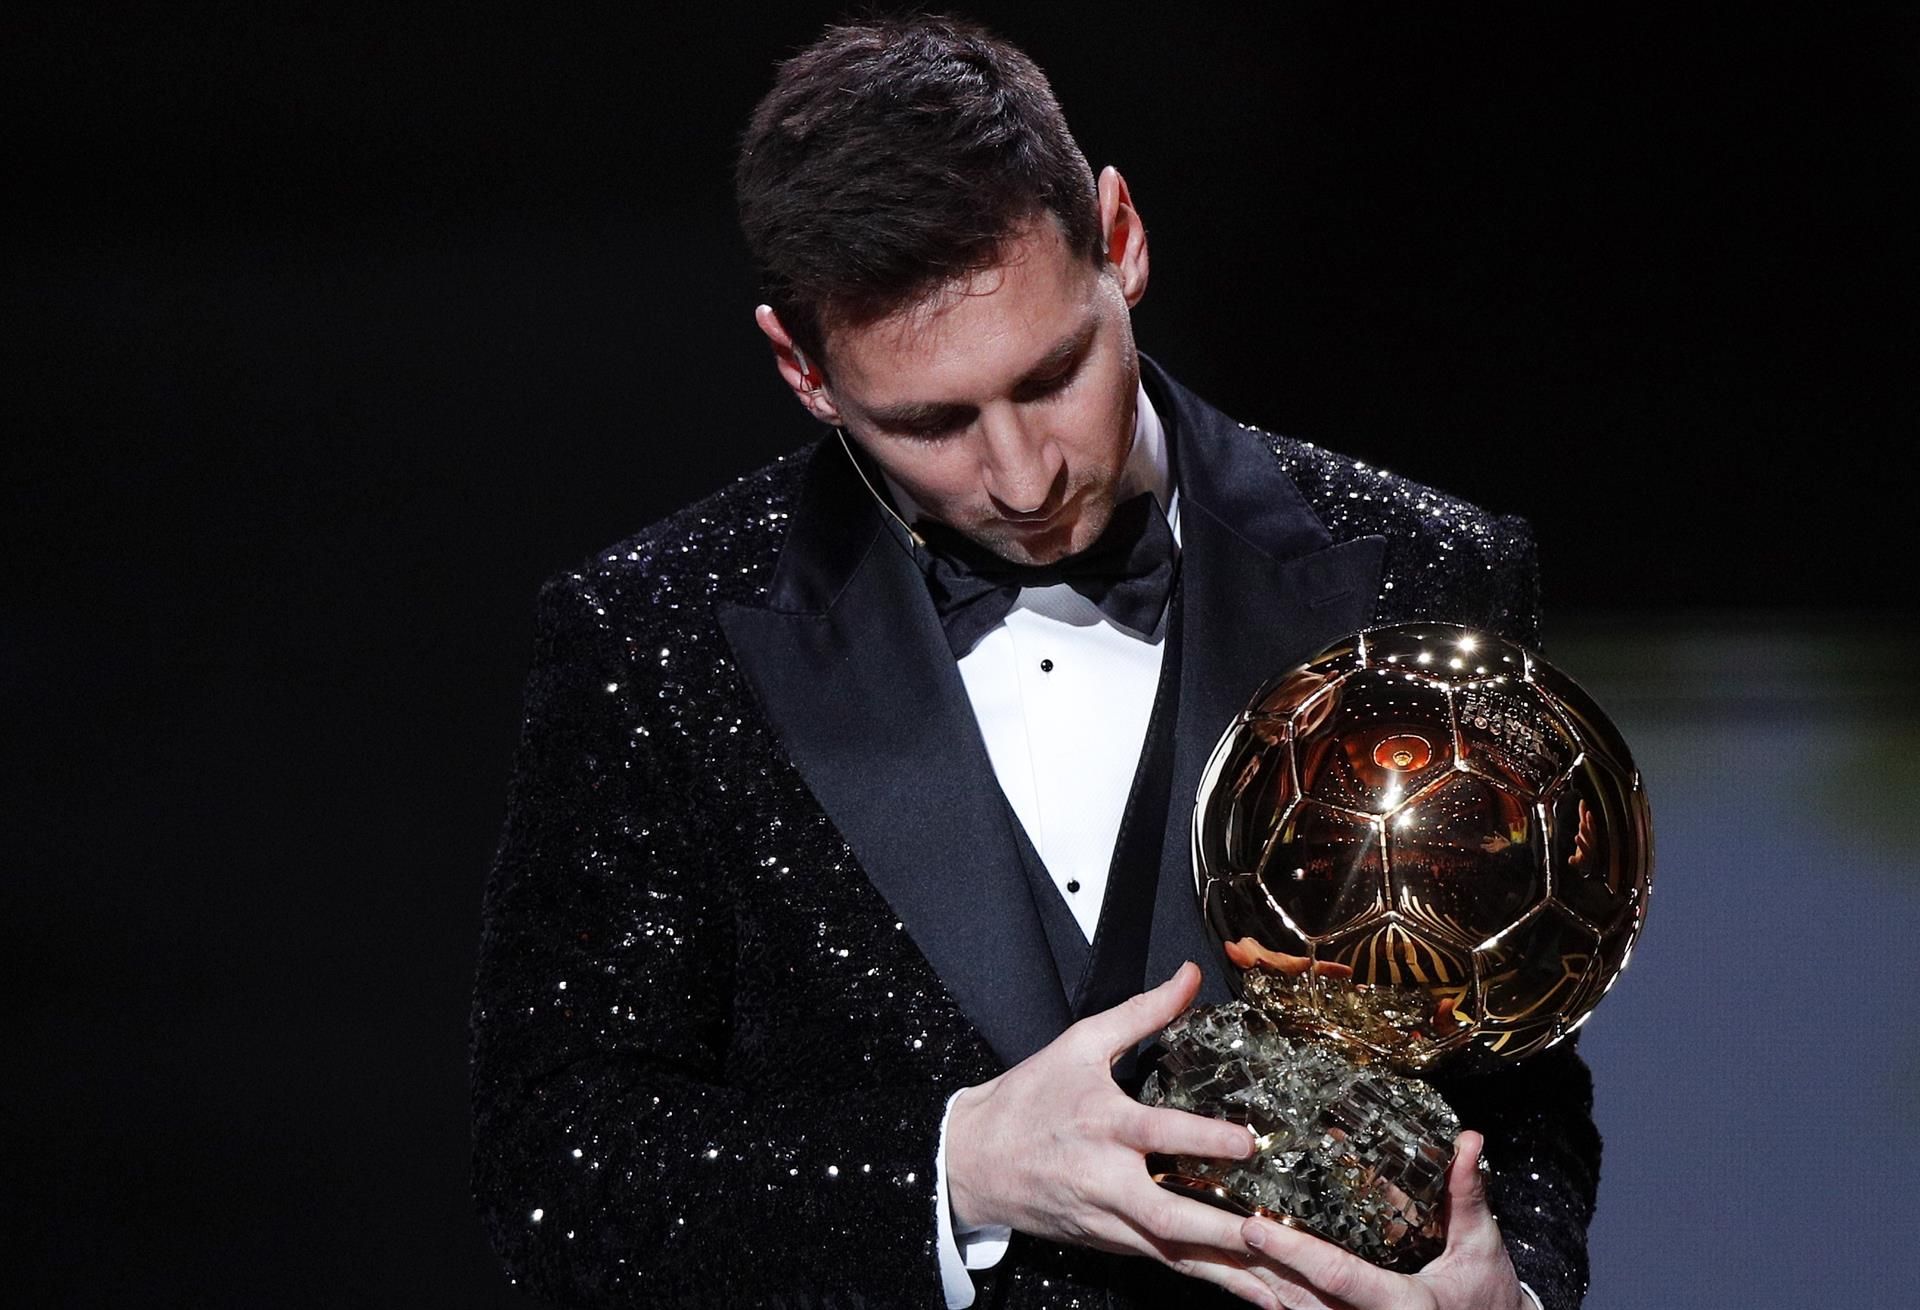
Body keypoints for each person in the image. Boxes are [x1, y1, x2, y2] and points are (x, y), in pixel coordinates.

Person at [470, 15, 1599, 1309]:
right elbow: (560, 1162)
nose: (1023, 474)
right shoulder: (655, 635)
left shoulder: (1424, 567)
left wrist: (1511, 1289)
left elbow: (1516, 1077)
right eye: (931, 422)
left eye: (1052, 373)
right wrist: (957, 1165)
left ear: (1120, 241)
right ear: (804, 367)